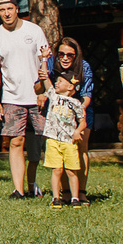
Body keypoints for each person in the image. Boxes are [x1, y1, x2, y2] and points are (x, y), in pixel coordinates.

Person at [0, 0, 50, 200]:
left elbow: (45, 61)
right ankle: (18, 190)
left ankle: (37, 184)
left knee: (43, 141)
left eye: (10, 8)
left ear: (17, 9)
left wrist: (45, 92)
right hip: (12, 97)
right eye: (2, 9)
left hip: (37, 95)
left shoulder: (34, 31)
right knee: (16, 141)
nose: (7, 13)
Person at [40, 65, 87, 207]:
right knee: (57, 170)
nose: (56, 83)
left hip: (69, 141)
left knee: (71, 171)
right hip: (53, 140)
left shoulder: (76, 103)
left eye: (60, 81)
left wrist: (78, 131)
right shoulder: (53, 97)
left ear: (71, 86)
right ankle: (56, 197)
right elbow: (45, 78)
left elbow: (83, 121)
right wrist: (43, 59)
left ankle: (75, 198)